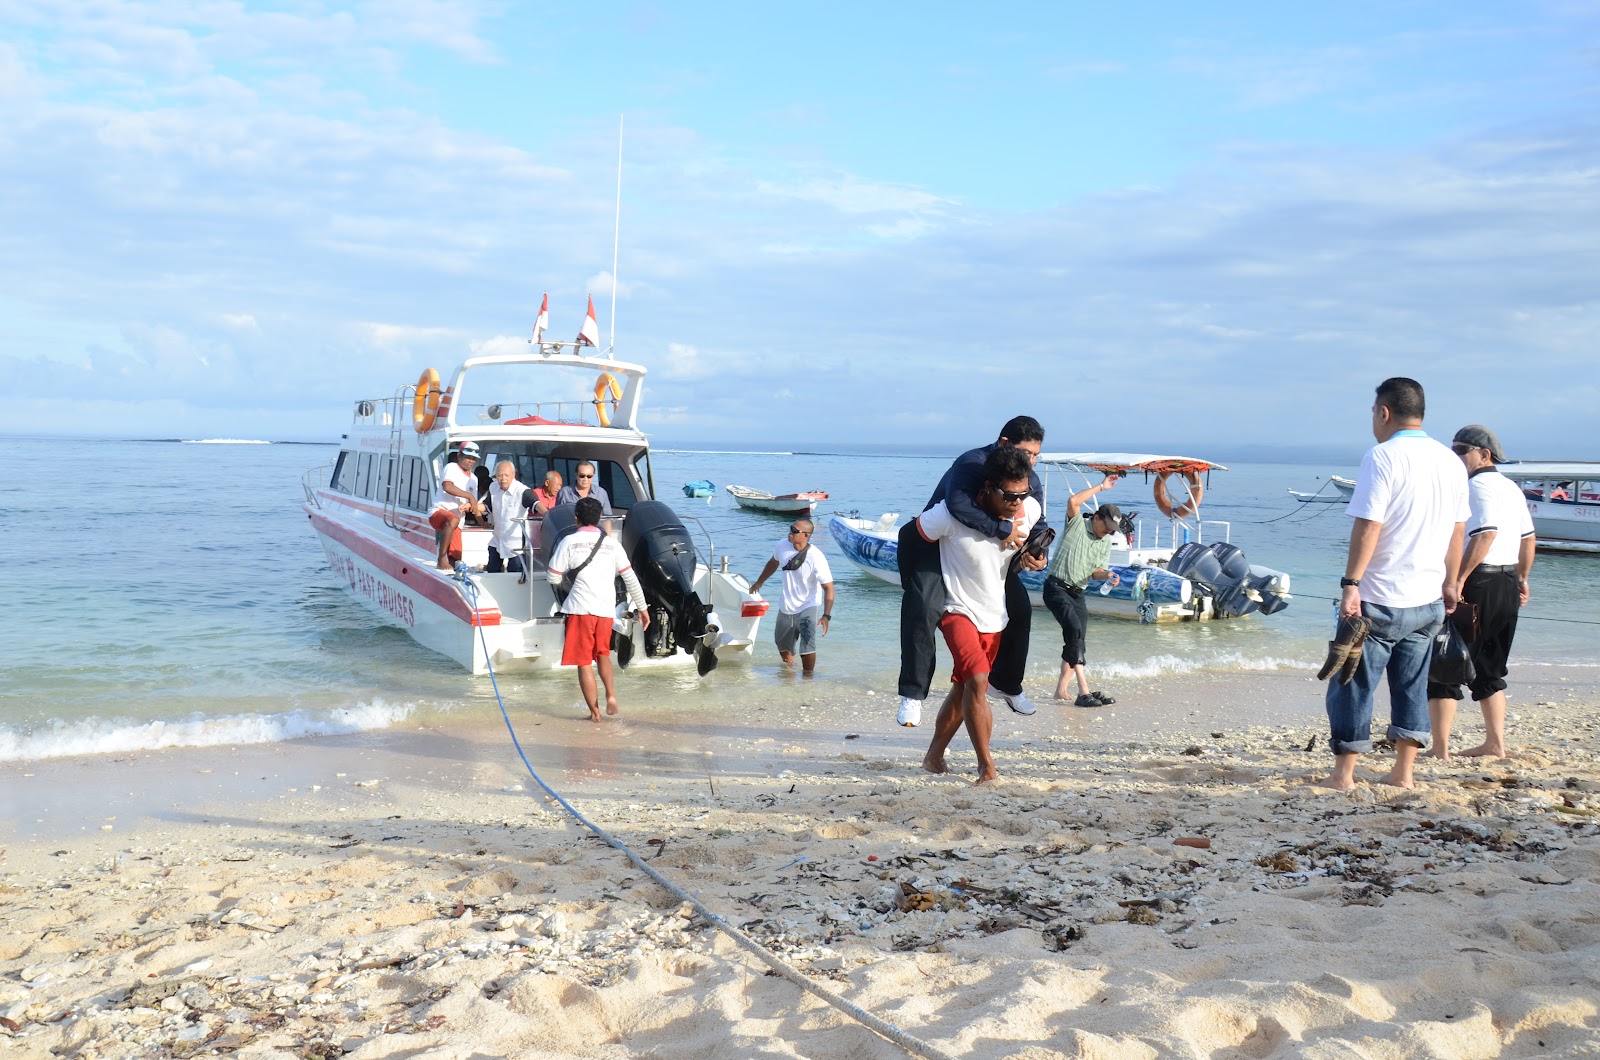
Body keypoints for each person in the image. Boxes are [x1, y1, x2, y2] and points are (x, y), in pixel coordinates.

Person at [1323, 377, 1468, 791]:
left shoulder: (1383, 456)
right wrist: (1452, 582)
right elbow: (1458, 531)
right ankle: (1403, 773)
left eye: (1374, 413)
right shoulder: (1450, 461)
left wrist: (1351, 582)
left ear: (1384, 412)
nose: (1373, 420)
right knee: (1412, 684)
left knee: (1352, 681)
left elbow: (1370, 524)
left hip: (1381, 595)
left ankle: (1344, 774)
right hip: (1428, 598)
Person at [897, 415, 1048, 727]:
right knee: (922, 606)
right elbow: (957, 505)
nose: (1031, 462)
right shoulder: (971, 463)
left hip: (983, 554)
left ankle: (1006, 685)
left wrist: (1038, 552)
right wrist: (1000, 529)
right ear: (1004, 443)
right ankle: (912, 694)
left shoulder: (1027, 477)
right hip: (937, 543)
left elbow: (1038, 522)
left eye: (1036, 455)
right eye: (1027, 453)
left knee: (1020, 609)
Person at [915, 447, 1041, 784]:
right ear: (987, 487)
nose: (1017, 502)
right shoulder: (947, 515)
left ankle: (933, 757)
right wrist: (918, 596)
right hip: (956, 610)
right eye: (1009, 496)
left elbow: (1034, 540)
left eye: (1023, 494)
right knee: (978, 681)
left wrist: (1035, 558)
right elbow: (913, 538)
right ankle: (987, 767)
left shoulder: (1027, 509)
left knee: (962, 688)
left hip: (994, 615)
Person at [1427, 425, 1536, 760]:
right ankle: (1495, 743)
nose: (1456, 456)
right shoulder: (1511, 488)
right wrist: (1522, 578)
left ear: (1483, 455)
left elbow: (1484, 535)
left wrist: (1457, 579)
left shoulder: (1476, 486)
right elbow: (1528, 539)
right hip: (1505, 581)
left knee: (1445, 662)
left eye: (1461, 450)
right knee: (1490, 667)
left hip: (1477, 583)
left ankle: (1441, 748)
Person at [547, 497, 650, 723]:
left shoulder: (569, 542)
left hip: (579, 609)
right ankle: (611, 695)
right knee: (603, 653)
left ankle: (595, 714)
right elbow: (630, 578)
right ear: (599, 518)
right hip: (605, 610)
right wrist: (642, 608)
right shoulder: (613, 544)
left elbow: (553, 577)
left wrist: (569, 580)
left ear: (576, 518)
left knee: (584, 662)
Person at [1042, 477, 1124, 707]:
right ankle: (1083, 691)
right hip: (1056, 587)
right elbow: (1073, 500)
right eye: (1106, 527)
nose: (1107, 533)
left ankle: (1061, 691)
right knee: (1074, 631)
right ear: (1096, 518)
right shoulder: (1076, 523)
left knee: (1079, 640)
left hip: (1078, 593)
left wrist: (1107, 575)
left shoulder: (1105, 542)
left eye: (1111, 531)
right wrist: (1101, 487)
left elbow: (1094, 572)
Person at [748, 519, 835, 676]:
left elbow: (828, 588)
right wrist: (759, 582)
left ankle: (808, 677)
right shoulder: (782, 545)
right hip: (786, 604)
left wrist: (826, 615)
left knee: (807, 643)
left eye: (795, 531)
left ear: (806, 535)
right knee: (782, 643)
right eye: (791, 528)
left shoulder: (816, 557)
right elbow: (773, 563)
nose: (790, 533)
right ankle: (790, 672)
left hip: (808, 604)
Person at [429, 441, 486, 570]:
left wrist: (481, 521)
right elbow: (447, 486)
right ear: (459, 456)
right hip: (439, 512)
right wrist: (469, 496)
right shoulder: (451, 467)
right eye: (467, 457)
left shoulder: (474, 479)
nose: (470, 461)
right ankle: (441, 558)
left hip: (457, 522)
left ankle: (450, 570)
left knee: (456, 557)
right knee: (453, 519)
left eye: (473, 459)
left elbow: (473, 505)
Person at [486, 460, 533, 574]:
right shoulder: (493, 487)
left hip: (516, 544)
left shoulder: (522, 491)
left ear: (513, 475)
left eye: (506, 475)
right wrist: (471, 505)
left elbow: (535, 503)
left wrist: (547, 514)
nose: (502, 479)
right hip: (497, 540)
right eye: (499, 475)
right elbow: (487, 505)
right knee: (492, 573)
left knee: (515, 576)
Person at [556, 461, 613, 532]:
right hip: (571, 535)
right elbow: (558, 518)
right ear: (576, 475)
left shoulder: (601, 493)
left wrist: (607, 537)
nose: (585, 479)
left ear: (593, 476)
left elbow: (607, 519)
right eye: (582, 476)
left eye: (589, 476)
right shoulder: (564, 493)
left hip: (596, 536)